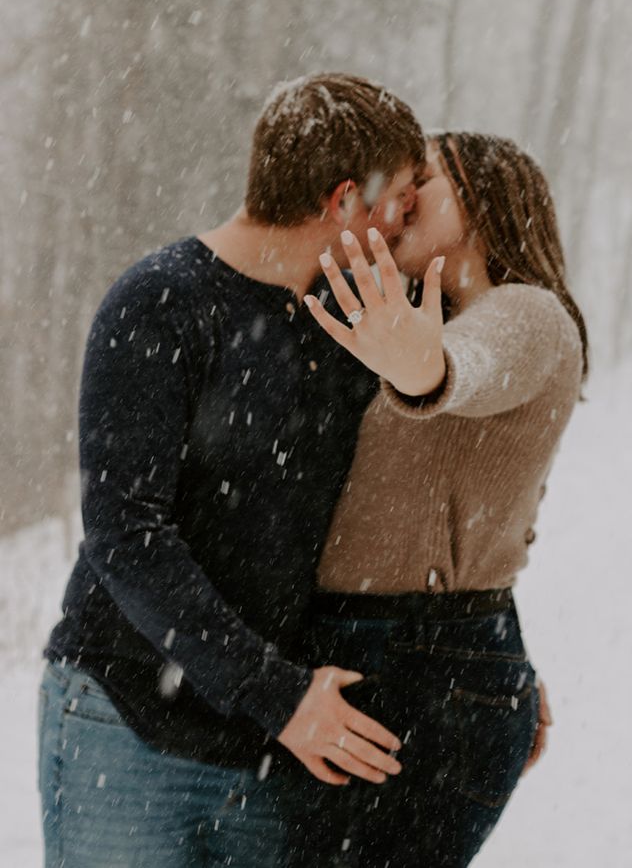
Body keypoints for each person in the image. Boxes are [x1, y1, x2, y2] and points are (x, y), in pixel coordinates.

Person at [37, 73, 427, 868]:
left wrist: (491, 652)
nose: (409, 222)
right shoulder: (159, 303)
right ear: (345, 201)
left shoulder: (358, 321)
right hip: (126, 722)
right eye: (403, 199)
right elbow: (126, 535)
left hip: (274, 752)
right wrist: (277, 696)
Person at [286, 132, 588, 867]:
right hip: (408, 660)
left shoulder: (529, 315)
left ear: (486, 202)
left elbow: (464, 368)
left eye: (427, 177)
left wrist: (424, 368)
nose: (406, 193)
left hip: (425, 668)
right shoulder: (419, 327)